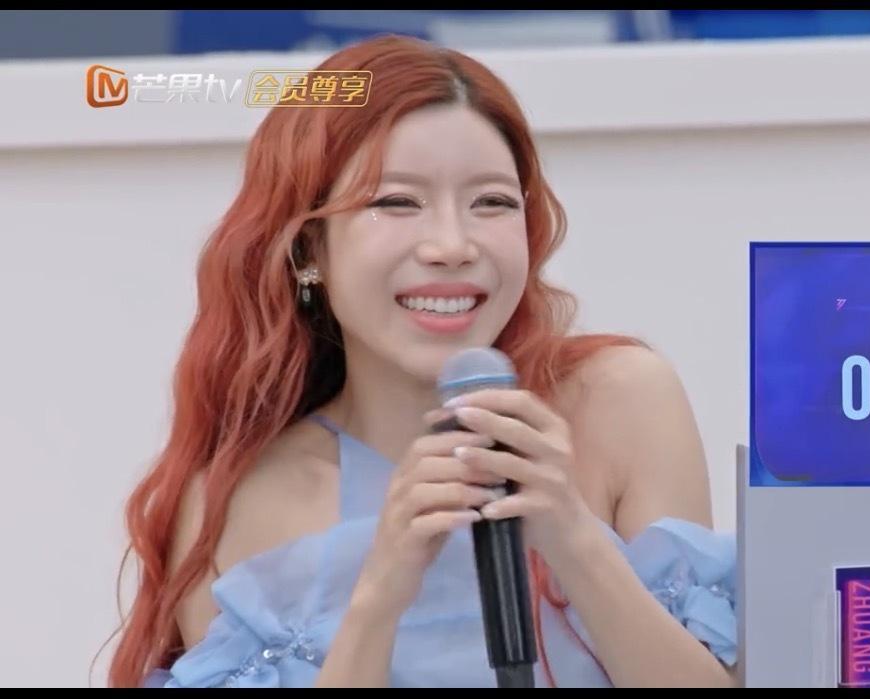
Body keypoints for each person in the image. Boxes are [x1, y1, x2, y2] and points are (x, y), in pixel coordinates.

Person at [106, 34, 737, 688]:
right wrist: (380, 590)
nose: (452, 245)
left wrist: (574, 538)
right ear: (308, 249)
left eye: (491, 202)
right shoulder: (238, 499)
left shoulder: (622, 401)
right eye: (396, 203)